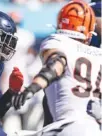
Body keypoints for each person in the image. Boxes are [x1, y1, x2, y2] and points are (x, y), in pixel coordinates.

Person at [12, 1, 102, 136]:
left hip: (65, 128)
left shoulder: (58, 41)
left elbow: (57, 63)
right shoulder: (98, 56)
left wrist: (34, 87)